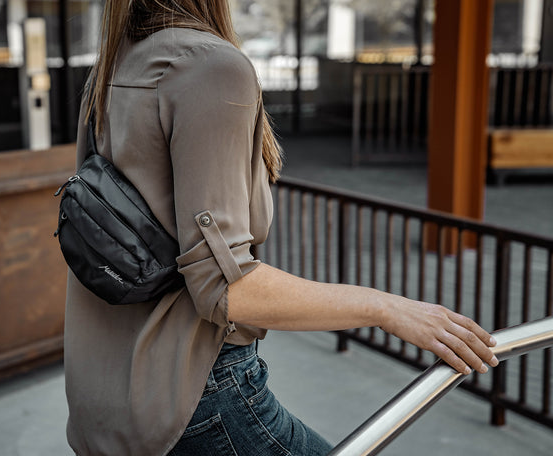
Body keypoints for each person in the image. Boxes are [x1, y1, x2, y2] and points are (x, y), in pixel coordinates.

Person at [63, 0, 499, 454]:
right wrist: (385, 308)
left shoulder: (118, 64)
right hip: (196, 403)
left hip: (107, 401)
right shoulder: (208, 67)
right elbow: (229, 289)